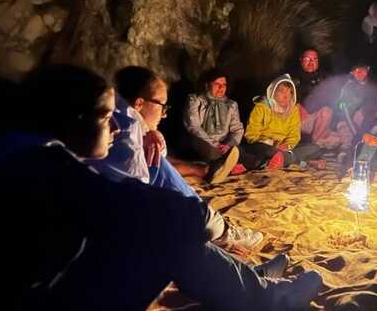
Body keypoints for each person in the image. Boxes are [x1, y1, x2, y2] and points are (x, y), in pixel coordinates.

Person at [0, 64, 322, 310]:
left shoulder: (22, 151)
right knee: (167, 231)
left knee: (162, 225)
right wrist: (197, 218)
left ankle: (247, 279)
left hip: (53, 285)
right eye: (106, 117)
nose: (115, 127)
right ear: (75, 118)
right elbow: (156, 209)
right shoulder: (41, 167)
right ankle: (265, 296)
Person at [87, 66, 262, 250]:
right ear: (139, 103)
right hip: (119, 232)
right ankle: (218, 228)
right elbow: (138, 201)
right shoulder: (128, 134)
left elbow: (236, 129)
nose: (165, 113)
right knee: (161, 169)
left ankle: (214, 219)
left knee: (160, 160)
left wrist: (148, 130)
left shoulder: (121, 110)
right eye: (162, 105)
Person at [242, 74, 323, 170]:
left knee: (315, 148)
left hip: (283, 149)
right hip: (263, 146)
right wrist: (271, 144)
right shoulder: (261, 107)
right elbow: (251, 135)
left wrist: (287, 145)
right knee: (264, 150)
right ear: (273, 92)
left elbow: (294, 135)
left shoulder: (293, 110)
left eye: (290, 92)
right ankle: (300, 163)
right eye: (282, 91)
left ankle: (272, 161)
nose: (286, 96)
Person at [184, 69, 246, 180]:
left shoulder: (231, 105)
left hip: (224, 145)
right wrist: (215, 144)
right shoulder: (195, 100)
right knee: (213, 153)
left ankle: (225, 165)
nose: (221, 88)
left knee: (239, 150)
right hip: (203, 142)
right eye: (217, 84)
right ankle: (226, 167)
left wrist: (229, 145)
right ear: (207, 85)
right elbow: (194, 127)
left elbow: (237, 129)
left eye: (224, 85)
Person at [293, 48, 333, 148]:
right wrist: (296, 104)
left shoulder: (324, 78)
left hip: (313, 121)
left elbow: (332, 100)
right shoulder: (291, 77)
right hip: (295, 120)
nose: (311, 62)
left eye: (314, 59)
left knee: (327, 111)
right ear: (301, 60)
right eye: (307, 59)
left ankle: (312, 145)